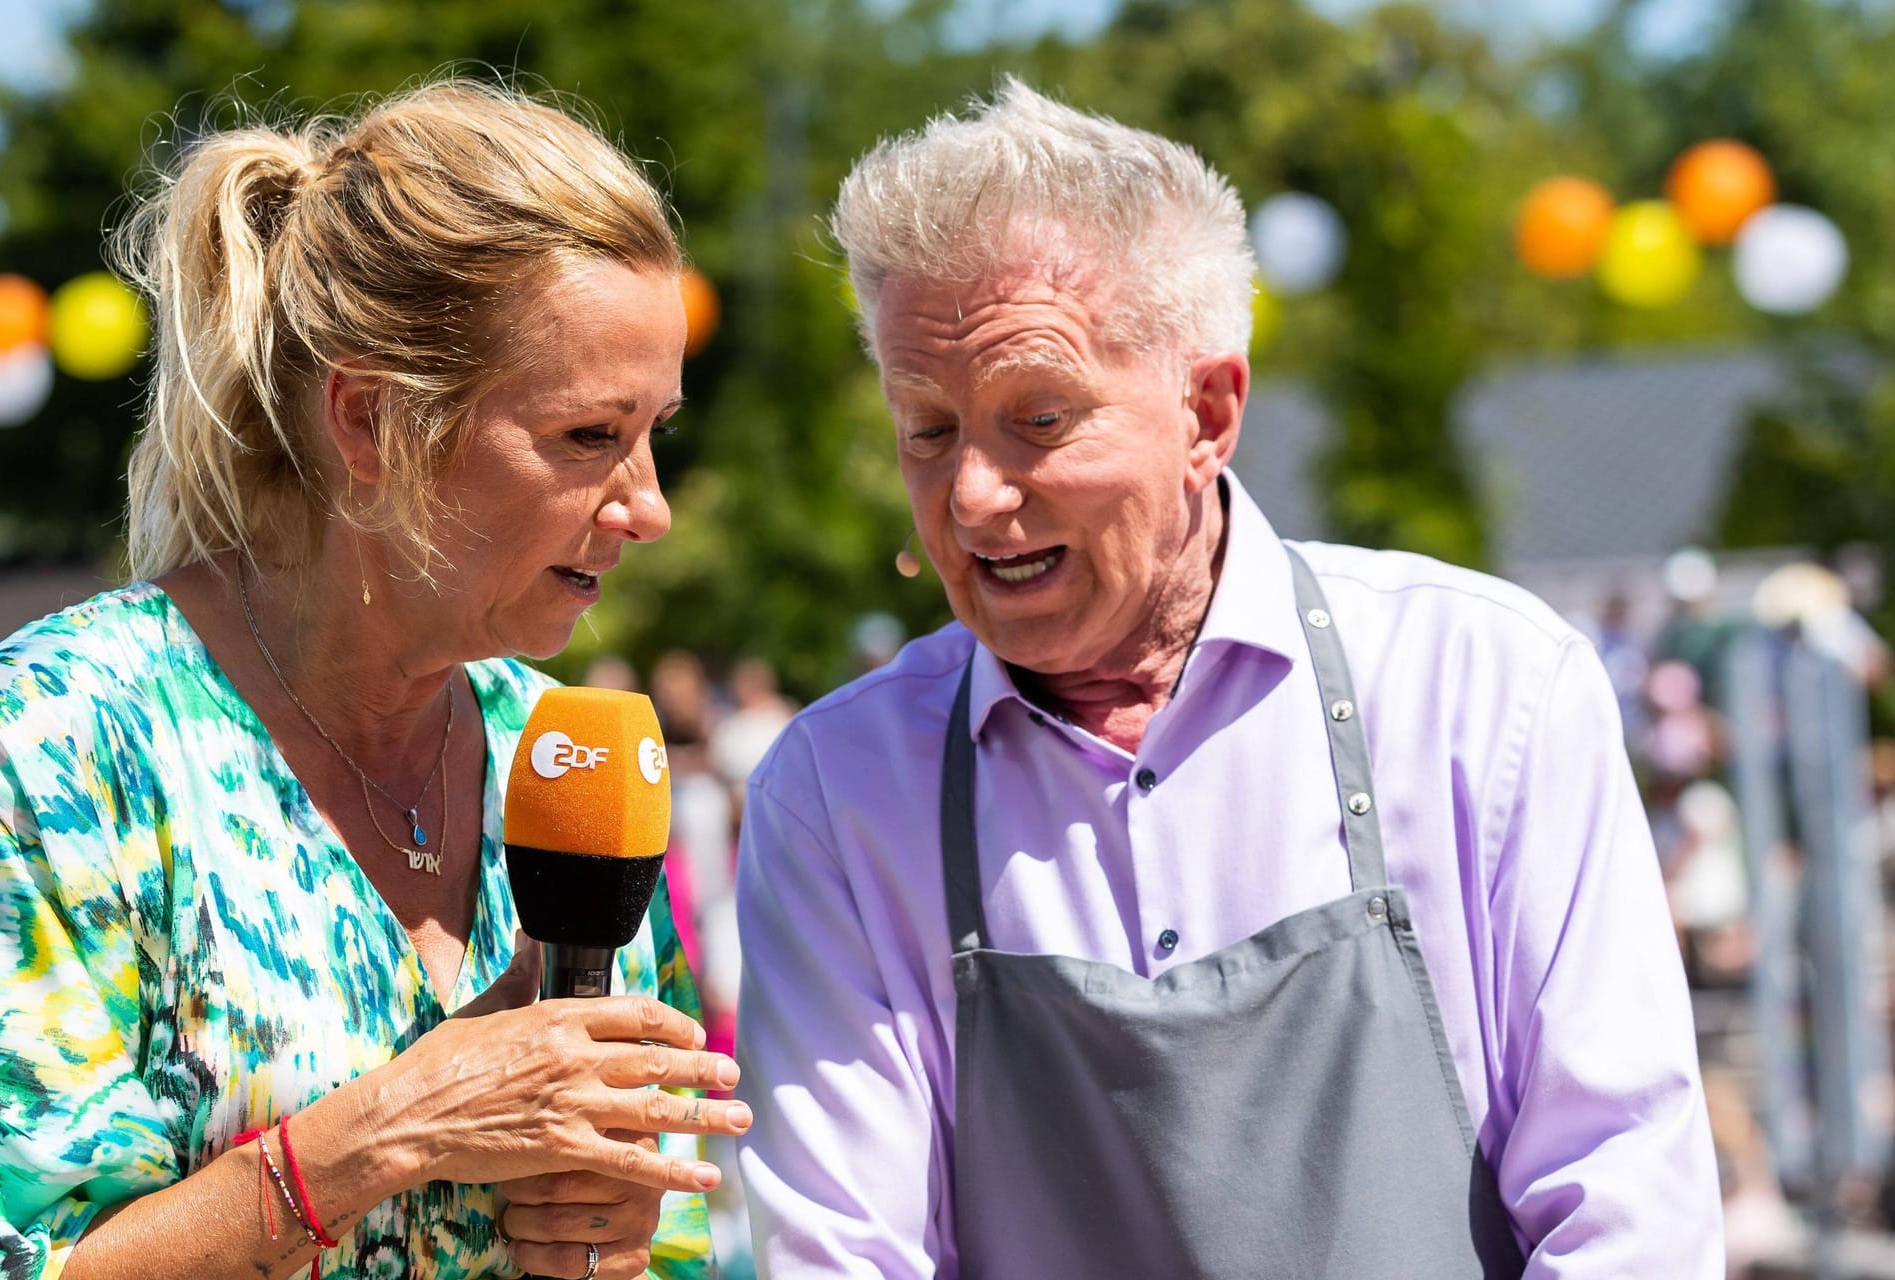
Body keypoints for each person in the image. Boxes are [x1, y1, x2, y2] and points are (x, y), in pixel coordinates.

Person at [734, 79, 1721, 1277]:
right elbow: (840, 1251)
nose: (974, 495)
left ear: (1208, 410)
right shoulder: (841, 791)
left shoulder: (1486, 688)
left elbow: (1628, 1209)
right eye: (929, 428)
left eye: (1037, 418)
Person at [0, 81, 752, 1280]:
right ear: (372, 420)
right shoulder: (58, 746)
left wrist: (609, 1241)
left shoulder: (570, 757)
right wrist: (395, 1127)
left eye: (657, 431)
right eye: (590, 436)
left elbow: (671, 1242)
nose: (649, 505)